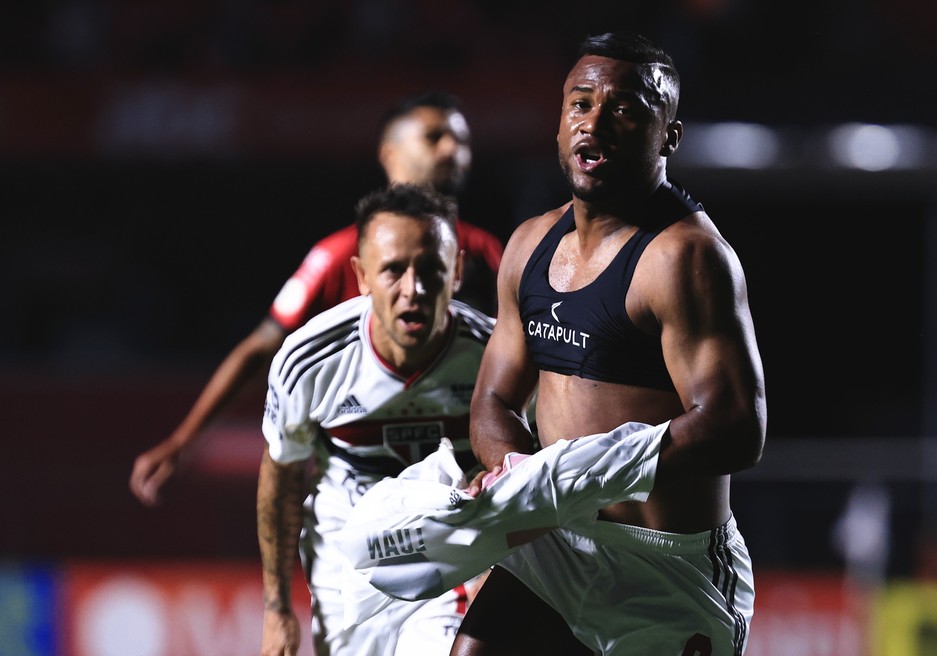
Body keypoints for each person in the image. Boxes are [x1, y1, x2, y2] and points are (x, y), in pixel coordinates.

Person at [450, 32, 768, 656]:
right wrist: (523, 480)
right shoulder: (529, 244)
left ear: (667, 136)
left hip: (665, 568)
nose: (595, 122)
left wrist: (585, 472)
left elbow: (737, 426)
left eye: (624, 108)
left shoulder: (687, 258)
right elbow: (492, 400)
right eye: (580, 103)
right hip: (559, 548)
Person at [129, 90, 503, 507]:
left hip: (461, 492)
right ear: (391, 154)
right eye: (435, 137)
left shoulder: (488, 254)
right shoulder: (336, 257)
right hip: (360, 495)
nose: (454, 149)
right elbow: (261, 349)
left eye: (462, 140)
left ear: (455, 273)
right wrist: (184, 440)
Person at [258, 183, 494, 656]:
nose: (414, 289)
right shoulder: (309, 360)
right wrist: (277, 606)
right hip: (346, 554)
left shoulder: (494, 357)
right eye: (393, 271)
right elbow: (282, 476)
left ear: (458, 272)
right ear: (362, 276)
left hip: (450, 547)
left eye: (431, 269)